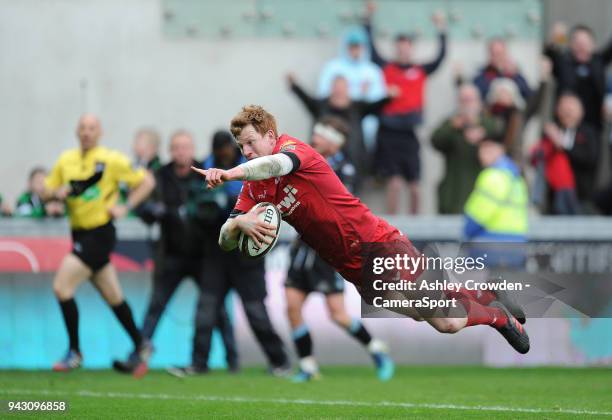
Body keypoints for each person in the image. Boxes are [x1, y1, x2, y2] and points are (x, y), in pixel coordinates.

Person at [192, 105, 531, 356]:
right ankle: (488, 295)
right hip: (353, 267)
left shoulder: (293, 150)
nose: (246, 151)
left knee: (447, 321)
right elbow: (225, 239)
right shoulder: (254, 191)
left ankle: (497, 317)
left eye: (250, 143)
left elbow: (274, 165)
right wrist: (238, 222)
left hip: (378, 243)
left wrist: (230, 173)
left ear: (270, 135)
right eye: (241, 148)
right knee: (433, 316)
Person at [113, 130, 238, 376]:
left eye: (185, 147)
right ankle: (136, 356)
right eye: (177, 147)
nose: (181, 152)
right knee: (155, 307)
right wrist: (150, 210)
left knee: (216, 309)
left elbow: (223, 203)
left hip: (204, 255)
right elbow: (141, 206)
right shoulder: (161, 175)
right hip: (171, 255)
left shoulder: (205, 171)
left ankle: (233, 360)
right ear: (171, 151)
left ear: (192, 149)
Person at [43, 114, 155, 376]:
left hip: (100, 233)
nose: (86, 132)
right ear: (76, 131)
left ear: (100, 132)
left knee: (61, 287)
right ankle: (141, 346)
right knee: (113, 296)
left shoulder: (111, 160)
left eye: (91, 128)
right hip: (79, 234)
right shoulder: (66, 160)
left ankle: (74, 352)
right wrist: (55, 194)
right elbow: (47, 190)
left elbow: (146, 182)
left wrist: (125, 206)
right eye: (82, 128)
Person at [284, 116, 393, 382]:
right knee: (292, 306)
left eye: (322, 135)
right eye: (316, 134)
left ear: (335, 143)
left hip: (327, 250)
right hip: (303, 247)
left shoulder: (344, 170)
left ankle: (376, 349)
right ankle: (308, 366)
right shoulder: (300, 159)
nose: (315, 139)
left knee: (338, 314)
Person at [179, 130, 290, 376]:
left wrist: (226, 206)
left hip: (246, 255)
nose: (224, 154)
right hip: (215, 252)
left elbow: (266, 207)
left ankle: (280, 361)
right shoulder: (204, 172)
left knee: (256, 313)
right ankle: (199, 364)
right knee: (205, 312)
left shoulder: (252, 170)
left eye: (228, 149)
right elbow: (194, 214)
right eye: (220, 151)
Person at [363, 1, 447, 214]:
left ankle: (415, 229)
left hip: (409, 131)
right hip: (389, 131)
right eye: (400, 47)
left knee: (415, 185)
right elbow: (371, 49)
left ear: (411, 49)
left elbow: (439, 58)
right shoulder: (386, 67)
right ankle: (393, 229)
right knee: (394, 184)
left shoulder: (420, 70)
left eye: (407, 47)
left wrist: (441, 29)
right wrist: (368, 18)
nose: (403, 51)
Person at [287, 73, 393, 181]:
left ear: (348, 89)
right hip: (323, 162)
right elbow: (306, 99)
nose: (339, 90)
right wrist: (294, 85)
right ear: (331, 88)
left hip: (353, 160)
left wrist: (388, 97)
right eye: (336, 87)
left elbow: (376, 106)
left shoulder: (358, 107)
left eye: (342, 87)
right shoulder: (321, 105)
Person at [431, 84, 500, 214]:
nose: (467, 104)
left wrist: (481, 130)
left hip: (481, 192)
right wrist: (453, 127)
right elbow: (435, 140)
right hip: (453, 192)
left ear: (478, 102)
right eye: (463, 100)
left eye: (470, 100)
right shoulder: (452, 123)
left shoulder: (488, 122)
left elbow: (500, 132)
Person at [531, 93, 600, 214]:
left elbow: (589, 159)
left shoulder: (588, 133)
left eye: (571, 109)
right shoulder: (551, 132)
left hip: (580, 194)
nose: (567, 113)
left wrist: (562, 145)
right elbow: (538, 158)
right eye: (564, 109)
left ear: (581, 111)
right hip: (553, 194)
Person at [545, 23, 612, 134]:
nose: (581, 46)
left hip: (593, 125)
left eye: (585, 43)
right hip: (566, 125)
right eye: (577, 43)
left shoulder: (599, 61)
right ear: (571, 45)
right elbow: (550, 52)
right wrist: (556, 37)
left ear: (593, 44)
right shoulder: (564, 63)